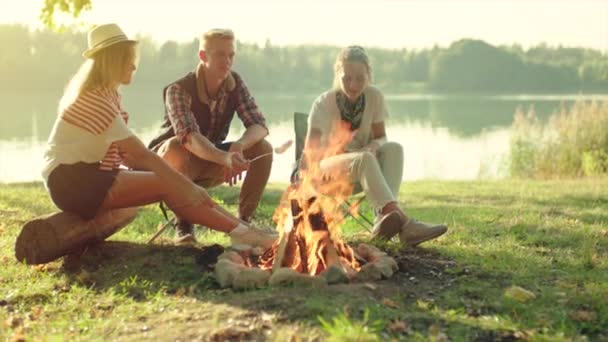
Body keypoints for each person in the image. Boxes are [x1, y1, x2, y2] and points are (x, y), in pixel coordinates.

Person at [39, 24, 275, 251]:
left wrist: (186, 185)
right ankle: (245, 234)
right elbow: (140, 154)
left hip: (89, 175)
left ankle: (246, 231)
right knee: (169, 183)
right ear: (112, 61)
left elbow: (125, 157)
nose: (133, 66)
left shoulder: (108, 95)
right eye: (128, 59)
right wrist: (185, 185)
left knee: (170, 184)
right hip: (72, 182)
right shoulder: (96, 100)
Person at [301, 46, 447, 247]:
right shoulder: (323, 103)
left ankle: (383, 217)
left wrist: (372, 145)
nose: (353, 85)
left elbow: (382, 138)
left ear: (369, 75)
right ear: (338, 74)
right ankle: (404, 223)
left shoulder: (374, 97)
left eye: (360, 78)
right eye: (347, 78)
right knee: (365, 158)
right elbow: (311, 153)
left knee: (394, 148)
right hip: (327, 171)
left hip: (363, 169)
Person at [148, 28, 272, 244]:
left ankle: (244, 224)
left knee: (263, 148)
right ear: (203, 56)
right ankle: (184, 227)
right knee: (177, 145)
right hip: (168, 167)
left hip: (209, 160)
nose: (227, 61)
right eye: (220, 55)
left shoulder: (235, 83)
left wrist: (239, 147)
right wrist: (223, 158)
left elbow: (259, 125)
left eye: (231, 55)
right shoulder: (178, 90)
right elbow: (189, 138)